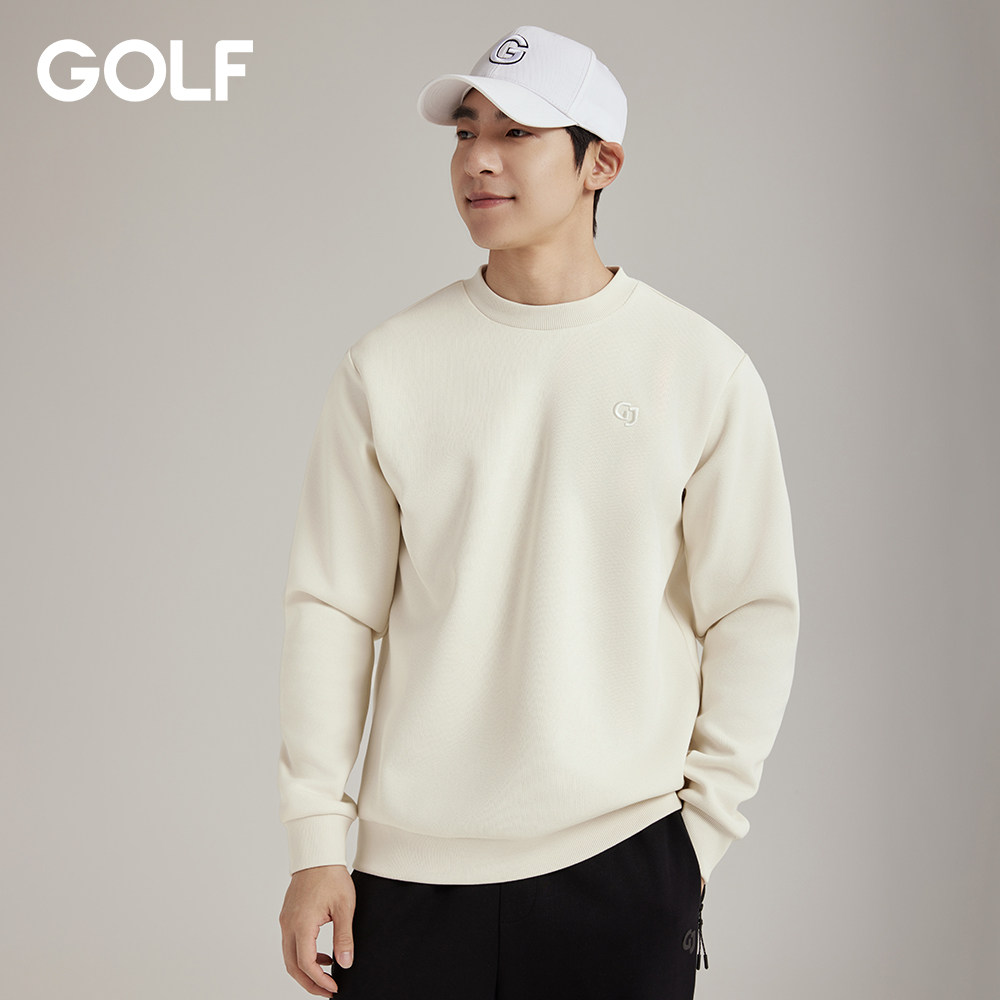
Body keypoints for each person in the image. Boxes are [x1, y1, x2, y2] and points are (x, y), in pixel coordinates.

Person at [277, 24, 799, 1000]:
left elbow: (751, 612)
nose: (478, 159)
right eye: (465, 132)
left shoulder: (698, 368)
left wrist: (700, 833)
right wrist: (315, 841)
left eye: (516, 133)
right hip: (409, 873)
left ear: (601, 163)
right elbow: (333, 609)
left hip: (624, 859)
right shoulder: (389, 366)